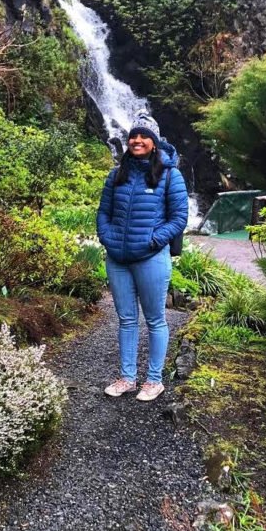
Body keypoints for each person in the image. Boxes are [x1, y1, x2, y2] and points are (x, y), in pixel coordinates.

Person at [96, 111, 188, 401]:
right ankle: (127, 378)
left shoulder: (170, 174)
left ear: (154, 141)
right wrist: (106, 236)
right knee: (125, 319)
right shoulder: (117, 174)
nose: (137, 140)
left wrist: (154, 240)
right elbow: (103, 211)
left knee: (155, 319)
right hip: (118, 258)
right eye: (133, 135)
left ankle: (154, 380)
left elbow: (179, 217)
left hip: (150, 257)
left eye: (143, 136)